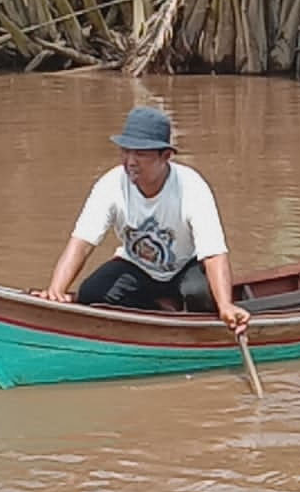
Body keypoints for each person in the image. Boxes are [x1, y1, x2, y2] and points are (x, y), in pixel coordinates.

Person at [35, 106, 251, 335]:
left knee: (200, 294)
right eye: (125, 152)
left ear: (165, 156)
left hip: (185, 266)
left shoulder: (191, 187)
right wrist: (56, 291)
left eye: (140, 154)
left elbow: (214, 253)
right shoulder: (111, 185)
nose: (130, 161)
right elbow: (82, 243)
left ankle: (195, 331)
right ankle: (160, 310)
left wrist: (226, 305)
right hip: (137, 265)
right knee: (91, 294)